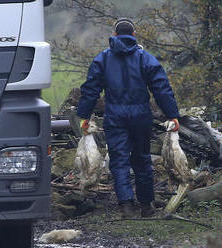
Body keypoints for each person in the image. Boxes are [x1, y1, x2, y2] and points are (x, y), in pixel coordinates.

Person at [77, 18, 180, 218]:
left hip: (114, 115)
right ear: (134, 35)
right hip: (141, 115)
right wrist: (172, 115)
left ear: (114, 35)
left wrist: (83, 116)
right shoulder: (145, 58)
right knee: (142, 159)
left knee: (119, 161)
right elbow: (162, 89)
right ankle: (147, 205)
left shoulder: (103, 59)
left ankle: (126, 206)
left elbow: (90, 90)